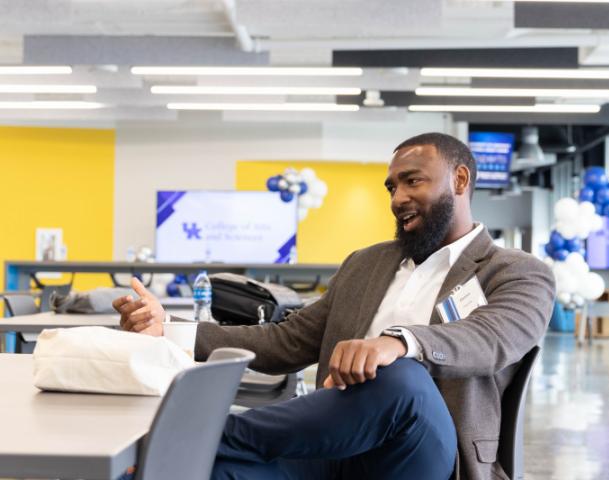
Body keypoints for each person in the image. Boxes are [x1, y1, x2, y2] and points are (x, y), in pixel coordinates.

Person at [114, 132, 555, 480]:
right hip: (329, 450)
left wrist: (398, 343)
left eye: (413, 180)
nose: (397, 197)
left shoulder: (516, 271)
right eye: (392, 186)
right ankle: (196, 444)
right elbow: (287, 341)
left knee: (400, 375)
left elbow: (492, 338)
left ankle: (209, 433)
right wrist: (169, 327)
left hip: (427, 457)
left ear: (459, 181)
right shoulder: (366, 264)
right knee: (197, 470)